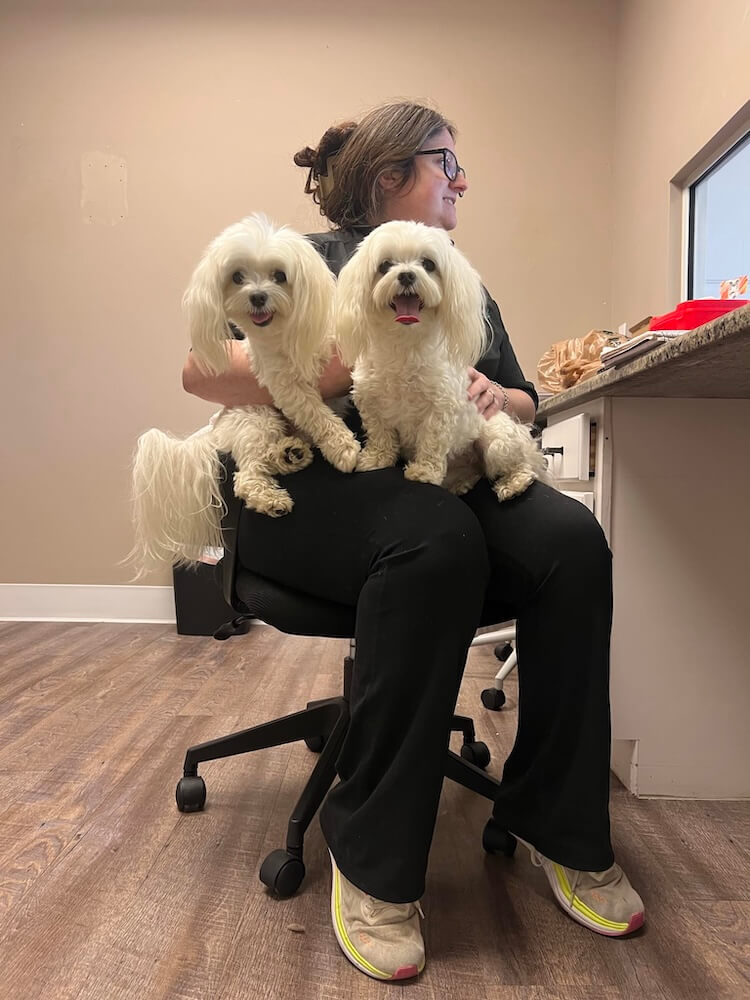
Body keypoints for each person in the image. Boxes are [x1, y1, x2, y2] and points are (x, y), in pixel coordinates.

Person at [182, 101, 644, 982]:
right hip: (316, 487)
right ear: (390, 174)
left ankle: (561, 824)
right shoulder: (305, 260)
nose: (463, 180)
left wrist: (495, 395)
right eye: (446, 163)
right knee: (436, 539)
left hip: (443, 467)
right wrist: (355, 348)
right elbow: (199, 371)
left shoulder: (460, 279)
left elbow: (527, 399)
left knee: (572, 540)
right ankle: (374, 860)